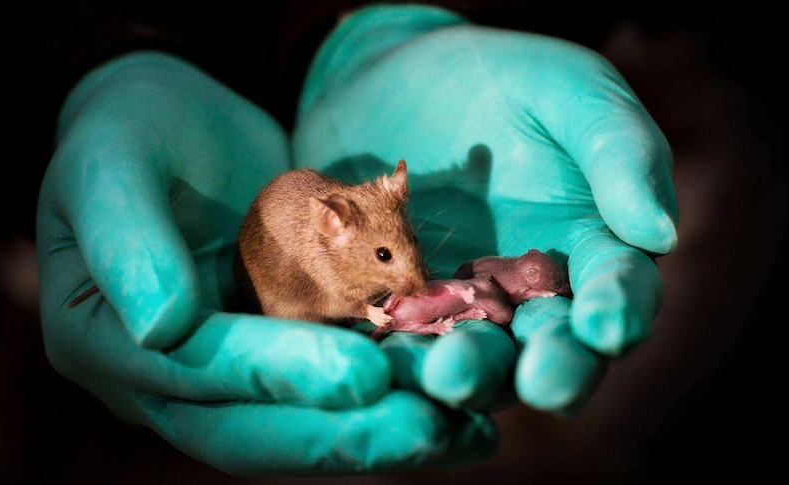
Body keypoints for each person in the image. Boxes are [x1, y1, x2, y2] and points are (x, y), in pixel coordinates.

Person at [36, 2, 678, 476]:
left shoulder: (380, 211)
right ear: (337, 227)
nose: (410, 269)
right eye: (384, 256)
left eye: (405, 250)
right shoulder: (329, 248)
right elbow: (349, 287)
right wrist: (114, 50)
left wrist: (373, 30)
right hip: (288, 282)